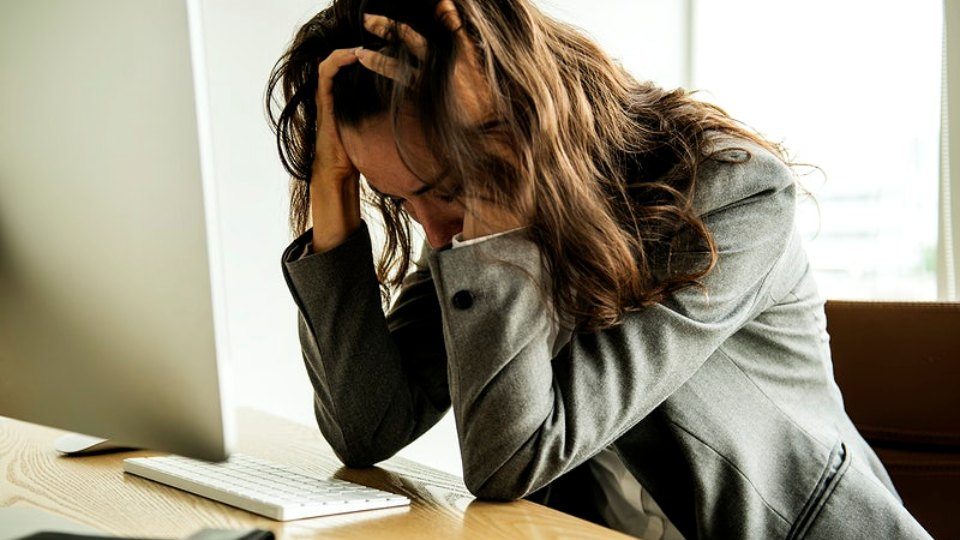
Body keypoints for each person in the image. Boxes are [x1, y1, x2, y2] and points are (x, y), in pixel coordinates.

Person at [267, 0, 931, 538]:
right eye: (398, 199)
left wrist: (496, 194)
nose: (436, 232)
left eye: (444, 188)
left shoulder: (733, 197)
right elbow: (366, 428)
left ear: (515, 130)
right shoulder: (472, 226)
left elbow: (512, 461)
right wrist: (333, 195)